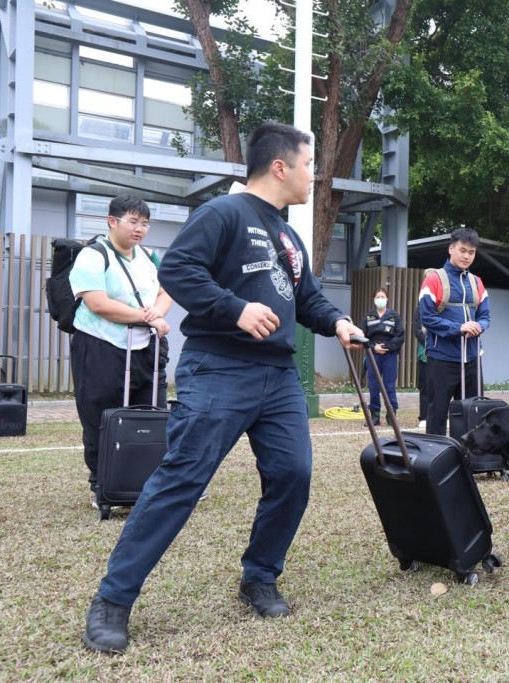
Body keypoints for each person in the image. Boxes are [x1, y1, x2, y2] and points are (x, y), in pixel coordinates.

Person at [81, 122, 365, 654]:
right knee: (181, 479)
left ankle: (259, 576)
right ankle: (113, 601)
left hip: (277, 378)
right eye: (310, 165)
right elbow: (181, 272)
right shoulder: (222, 214)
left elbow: (306, 298)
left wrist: (339, 324)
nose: (315, 176)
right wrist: (235, 309)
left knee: (293, 473)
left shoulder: (288, 234)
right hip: (220, 368)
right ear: (280, 166)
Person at [69, 194, 172, 506]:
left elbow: (168, 290)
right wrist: (147, 317)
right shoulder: (93, 255)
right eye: (133, 221)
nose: (139, 229)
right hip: (101, 345)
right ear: (112, 221)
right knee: (101, 415)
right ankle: (103, 486)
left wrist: (155, 315)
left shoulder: (148, 256)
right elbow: (98, 303)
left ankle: (147, 484)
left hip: (144, 347)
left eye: (145, 223)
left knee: (150, 414)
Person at [418, 228, 491, 436]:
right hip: (442, 359)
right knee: (437, 412)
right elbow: (427, 318)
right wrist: (459, 328)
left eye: (472, 252)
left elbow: (486, 316)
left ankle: (468, 459)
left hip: (472, 359)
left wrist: (479, 326)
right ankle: (436, 460)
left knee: (472, 413)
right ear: (451, 249)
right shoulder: (433, 280)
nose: (467, 256)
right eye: (462, 250)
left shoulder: (477, 282)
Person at [363, 288, 405, 425]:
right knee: (373, 385)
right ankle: (374, 416)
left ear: (387, 299)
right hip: (373, 354)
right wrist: (373, 347)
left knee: (389, 386)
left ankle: (391, 415)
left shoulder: (394, 316)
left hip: (389, 355)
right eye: (378, 297)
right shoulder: (368, 316)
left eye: (382, 296)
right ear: (374, 299)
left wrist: (386, 347)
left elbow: (400, 336)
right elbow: (361, 336)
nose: (380, 299)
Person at [412, 271, 434, 429]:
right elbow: (418, 330)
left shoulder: (442, 306)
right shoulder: (419, 309)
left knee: (440, 388)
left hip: (442, 354)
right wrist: (430, 342)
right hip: (425, 353)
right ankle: (424, 416)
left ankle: (440, 415)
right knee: (425, 386)